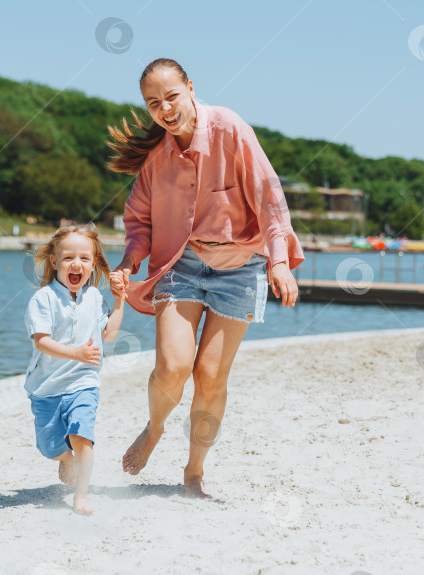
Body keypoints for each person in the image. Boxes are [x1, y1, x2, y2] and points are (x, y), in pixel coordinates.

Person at [106, 58, 304, 498]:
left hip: (242, 266)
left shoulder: (230, 130)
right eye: (153, 103)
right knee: (173, 367)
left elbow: (268, 196)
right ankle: (155, 427)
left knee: (211, 376)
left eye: (172, 96)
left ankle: (194, 471)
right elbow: (139, 219)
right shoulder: (157, 156)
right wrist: (130, 259)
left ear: (191, 87)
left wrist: (279, 260)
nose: (165, 109)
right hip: (182, 263)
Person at [24, 223, 125, 514]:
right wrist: (75, 352)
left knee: (82, 435)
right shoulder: (43, 299)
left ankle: (81, 495)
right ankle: (66, 459)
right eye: (68, 258)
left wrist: (120, 300)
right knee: (49, 448)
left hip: (84, 384)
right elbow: (42, 342)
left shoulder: (95, 298)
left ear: (93, 263)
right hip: (46, 388)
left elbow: (109, 334)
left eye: (84, 258)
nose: (76, 264)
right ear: (55, 262)